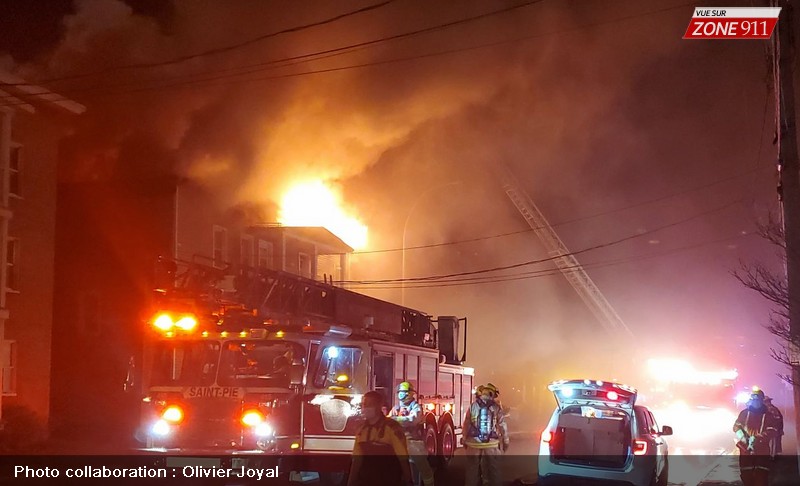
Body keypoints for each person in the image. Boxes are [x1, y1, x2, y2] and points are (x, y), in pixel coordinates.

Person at [348, 391, 413, 486]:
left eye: (370, 404)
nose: (365, 408)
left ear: (379, 406)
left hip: (389, 480)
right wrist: (350, 482)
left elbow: (402, 457)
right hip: (366, 480)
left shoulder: (392, 428)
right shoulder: (362, 430)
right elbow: (357, 460)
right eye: (364, 404)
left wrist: (408, 480)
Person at [389, 382, 435, 486]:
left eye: (404, 392)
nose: (402, 394)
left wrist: (394, 419)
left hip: (415, 443)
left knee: (422, 468)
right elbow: (388, 420)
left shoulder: (416, 407)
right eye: (400, 392)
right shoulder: (396, 408)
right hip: (400, 443)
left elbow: (412, 420)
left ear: (410, 393)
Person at [733, 387, 781, 486]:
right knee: (746, 476)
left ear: (762, 400)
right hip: (746, 452)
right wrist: (743, 438)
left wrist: (757, 438)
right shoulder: (744, 413)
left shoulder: (768, 415)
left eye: (757, 399)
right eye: (753, 399)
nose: (755, 401)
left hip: (762, 451)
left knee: (761, 477)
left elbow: (772, 430)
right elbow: (736, 427)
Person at [462, 384, 509, 486]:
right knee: (494, 470)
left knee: (472, 470)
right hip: (491, 444)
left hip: (473, 444)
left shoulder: (473, 406)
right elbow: (502, 425)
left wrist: (464, 438)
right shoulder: (496, 407)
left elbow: (466, 424)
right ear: (491, 394)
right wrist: (506, 441)